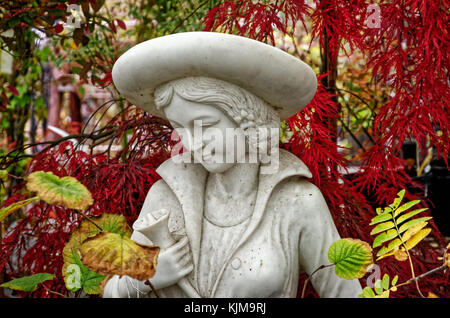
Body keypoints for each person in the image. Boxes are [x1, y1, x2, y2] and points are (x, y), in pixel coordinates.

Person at [103, 32, 362, 298]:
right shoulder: (165, 197)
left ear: (247, 119)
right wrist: (148, 278)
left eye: (206, 125)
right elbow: (112, 292)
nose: (193, 144)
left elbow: (346, 293)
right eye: (181, 129)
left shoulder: (297, 203)